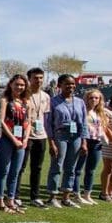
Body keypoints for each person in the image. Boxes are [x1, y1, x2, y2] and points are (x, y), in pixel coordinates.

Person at [45, 74, 88, 208]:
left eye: (72, 84)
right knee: (57, 165)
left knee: (71, 167)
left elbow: (84, 122)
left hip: (75, 136)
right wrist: (51, 142)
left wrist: (84, 141)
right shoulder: (53, 101)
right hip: (60, 135)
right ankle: (52, 196)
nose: (70, 86)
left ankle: (66, 197)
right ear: (60, 85)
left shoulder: (80, 102)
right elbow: (48, 123)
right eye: (67, 84)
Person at [0, 74, 31, 214]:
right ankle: (0, 200)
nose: (19, 87)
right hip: (7, 140)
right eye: (17, 84)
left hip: (21, 141)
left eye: (22, 85)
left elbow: (28, 123)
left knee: (15, 172)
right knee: (4, 170)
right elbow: (2, 121)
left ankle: (11, 199)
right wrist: (13, 139)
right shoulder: (5, 100)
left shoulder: (25, 102)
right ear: (11, 84)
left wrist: (25, 139)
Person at [15, 67, 50, 209]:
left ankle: (35, 197)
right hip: (26, 135)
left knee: (37, 167)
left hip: (41, 135)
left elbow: (45, 117)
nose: (39, 80)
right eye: (35, 78)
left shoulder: (46, 96)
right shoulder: (24, 95)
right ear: (29, 79)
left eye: (41, 78)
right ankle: (15, 196)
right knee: (20, 167)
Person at [73, 89, 108, 205]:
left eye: (96, 98)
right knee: (78, 169)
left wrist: (104, 139)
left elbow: (102, 128)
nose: (94, 100)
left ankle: (87, 194)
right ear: (86, 99)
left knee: (91, 170)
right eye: (91, 98)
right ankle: (76, 194)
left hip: (97, 142)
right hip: (85, 141)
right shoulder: (82, 111)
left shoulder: (100, 112)